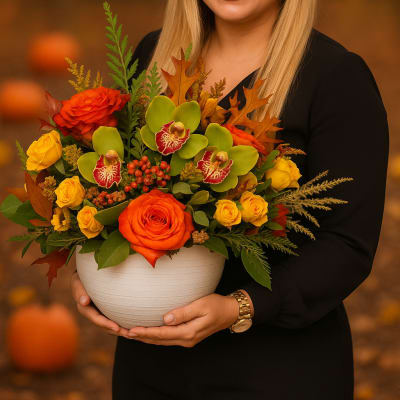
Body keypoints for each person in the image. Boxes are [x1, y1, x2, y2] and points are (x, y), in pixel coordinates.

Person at [71, 0, 389, 398]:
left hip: (276, 370)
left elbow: (347, 246)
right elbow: (108, 187)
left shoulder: (336, 78)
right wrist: (90, 271)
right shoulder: (155, 55)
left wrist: (241, 306)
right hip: (150, 365)